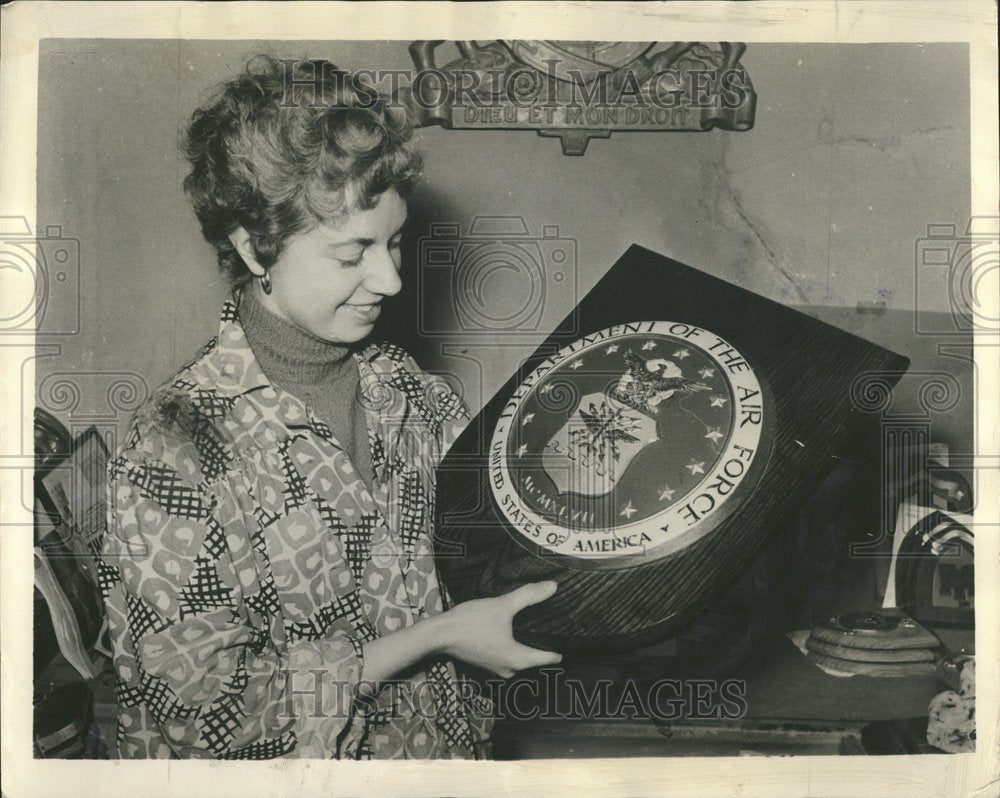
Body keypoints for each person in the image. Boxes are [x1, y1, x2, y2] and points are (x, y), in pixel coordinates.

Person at [95, 54, 561, 760]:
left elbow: (492, 551)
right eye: (353, 255)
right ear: (256, 247)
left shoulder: (413, 397)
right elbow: (216, 715)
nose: (392, 279)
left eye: (395, 241)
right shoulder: (173, 450)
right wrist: (435, 637)